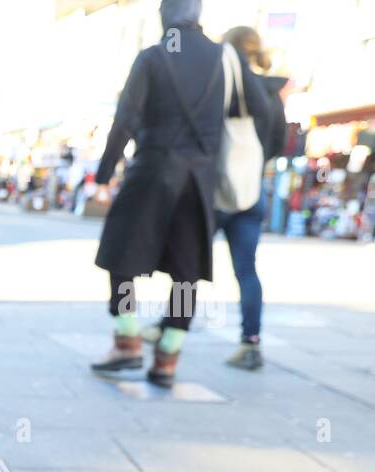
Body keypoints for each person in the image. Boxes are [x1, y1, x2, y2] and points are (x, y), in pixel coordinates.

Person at [90, 0, 267, 387]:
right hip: (199, 180)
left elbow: (126, 119)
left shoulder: (153, 57)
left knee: (121, 257)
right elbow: (263, 110)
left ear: (165, 16)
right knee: (186, 274)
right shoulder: (224, 57)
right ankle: (168, 357)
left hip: (152, 170)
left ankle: (127, 340)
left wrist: (103, 175)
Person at [217, 25, 287, 371]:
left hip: (216, 188)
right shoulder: (273, 93)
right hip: (252, 188)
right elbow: (277, 142)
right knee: (247, 269)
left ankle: (173, 330)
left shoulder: (226, 82)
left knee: (187, 263)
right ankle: (251, 341)